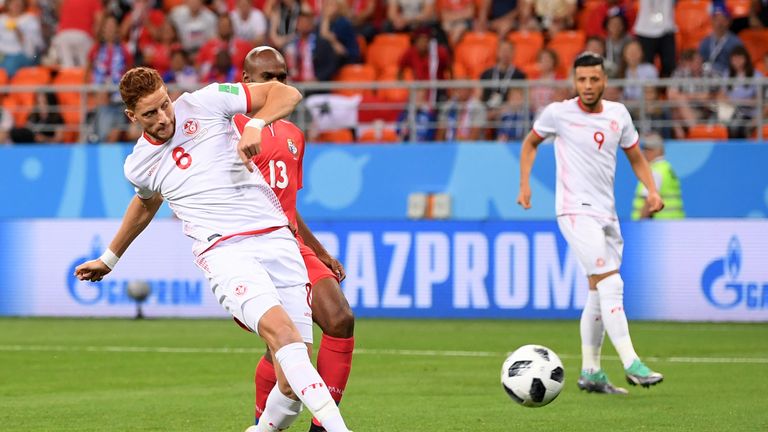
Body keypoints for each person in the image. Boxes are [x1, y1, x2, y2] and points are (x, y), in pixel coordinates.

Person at [73, 66, 352, 432]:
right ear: (131, 116)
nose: (163, 118)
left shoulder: (203, 102)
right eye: (149, 114)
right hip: (225, 252)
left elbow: (288, 94)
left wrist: (254, 125)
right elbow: (145, 203)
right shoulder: (139, 165)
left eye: (164, 105)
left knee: (291, 383)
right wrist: (109, 259)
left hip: (277, 239)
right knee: (282, 336)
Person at [516, 52, 664, 394]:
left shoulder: (618, 115)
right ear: (573, 80)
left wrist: (652, 190)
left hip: (606, 213)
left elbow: (636, 157)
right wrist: (524, 185)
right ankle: (631, 363)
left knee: (598, 291)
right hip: (574, 210)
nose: (587, 86)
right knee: (611, 283)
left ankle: (591, 372)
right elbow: (530, 144)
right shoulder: (558, 113)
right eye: (581, 79)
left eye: (593, 79)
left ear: (604, 81)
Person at [233, 46, 355, 432]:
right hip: (249, 250)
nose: (277, 84)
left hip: (292, 245)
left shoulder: (293, 134)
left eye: (283, 77)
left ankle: (321, 427)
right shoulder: (227, 128)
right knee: (285, 350)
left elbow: (287, 205)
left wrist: (320, 251)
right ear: (246, 82)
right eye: (267, 77)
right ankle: (263, 421)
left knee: (340, 318)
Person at [631, 132, 684, 220]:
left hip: (658, 226)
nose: (644, 153)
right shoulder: (666, 168)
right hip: (673, 223)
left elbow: (649, 202)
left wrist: (639, 222)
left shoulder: (655, 171)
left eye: (649, 149)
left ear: (658, 150)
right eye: (644, 149)